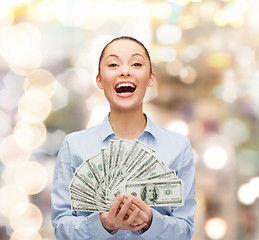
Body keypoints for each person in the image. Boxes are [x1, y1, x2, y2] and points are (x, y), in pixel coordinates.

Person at [51, 36, 196, 239]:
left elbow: (185, 230)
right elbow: (61, 226)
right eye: (113, 64)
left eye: (136, 64)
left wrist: (152, 223)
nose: (125, 71)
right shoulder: (74, 145)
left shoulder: (178, 147)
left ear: (151, 78)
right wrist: (103, 225)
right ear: (99, 80)